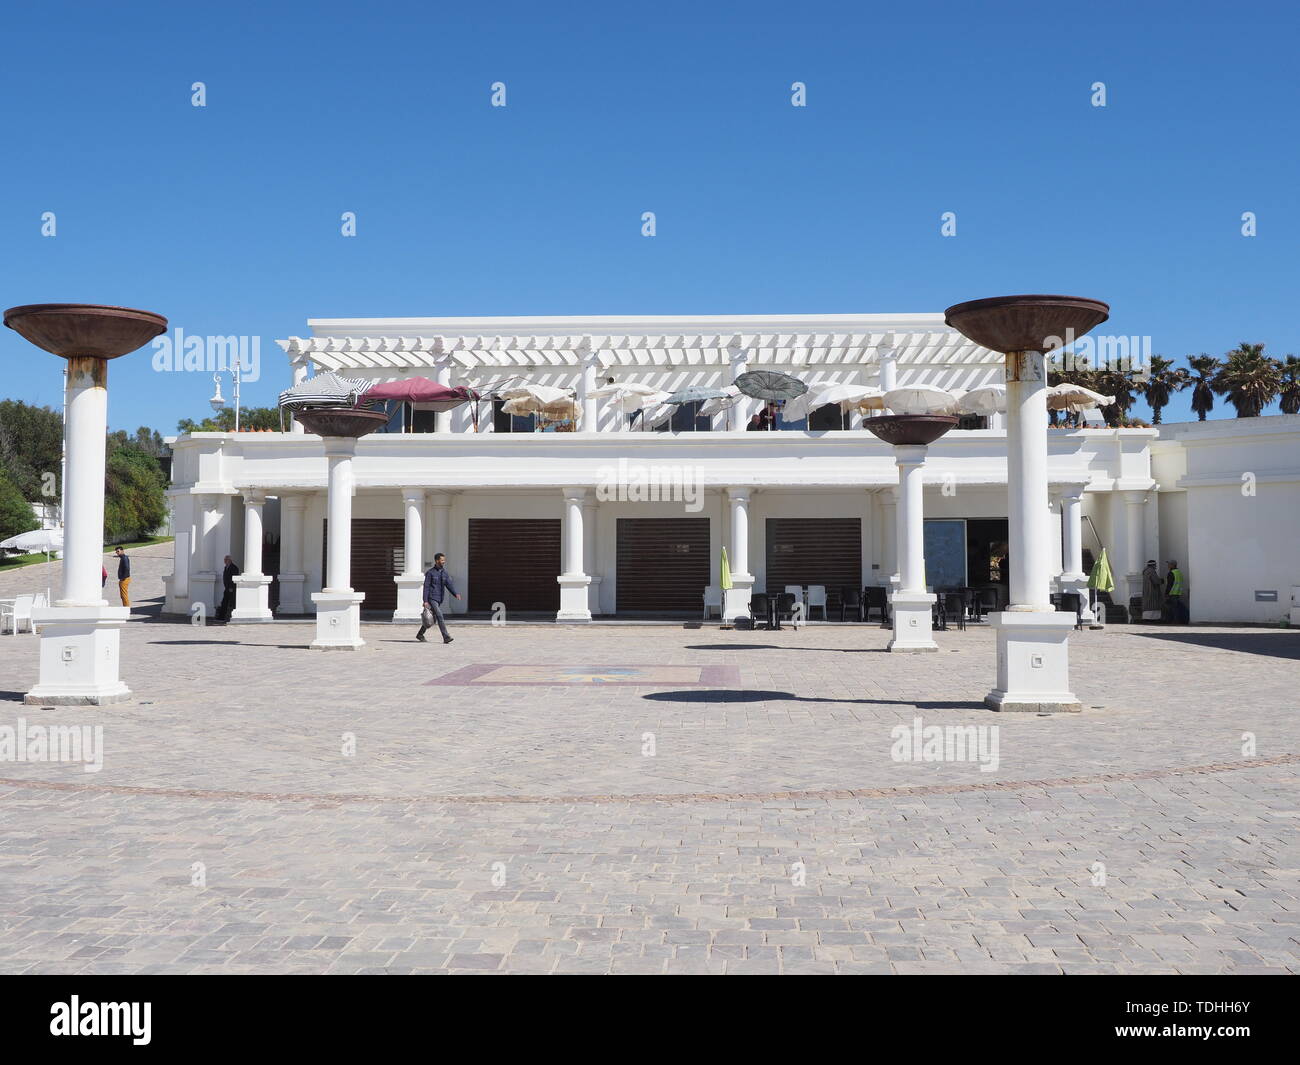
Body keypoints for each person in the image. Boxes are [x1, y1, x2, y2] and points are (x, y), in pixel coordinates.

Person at [417, 552, 460, 644]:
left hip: (439, 599)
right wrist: (425, 601)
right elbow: (426, 587)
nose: (444, 561)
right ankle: (446, 637)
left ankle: (420, 634)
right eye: (442, 560)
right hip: (432, 598)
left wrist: (455, 593)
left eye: (444, 560)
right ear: (437, 561)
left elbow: (449, 584)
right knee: (440, 616)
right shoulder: (430, 573)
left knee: (432, 618)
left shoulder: (444, 573)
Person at [217, 554, 239, 621]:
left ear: (229, 560)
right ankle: (221, 617)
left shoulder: (234, 568)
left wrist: (231, 587)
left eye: (226, 560)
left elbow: (233, 578)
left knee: (233, 603)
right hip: (227, 588)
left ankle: (234, 616)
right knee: (224, 602)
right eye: (224, 560)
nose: (225, 561)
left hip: (231, 589)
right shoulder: (226, 567)